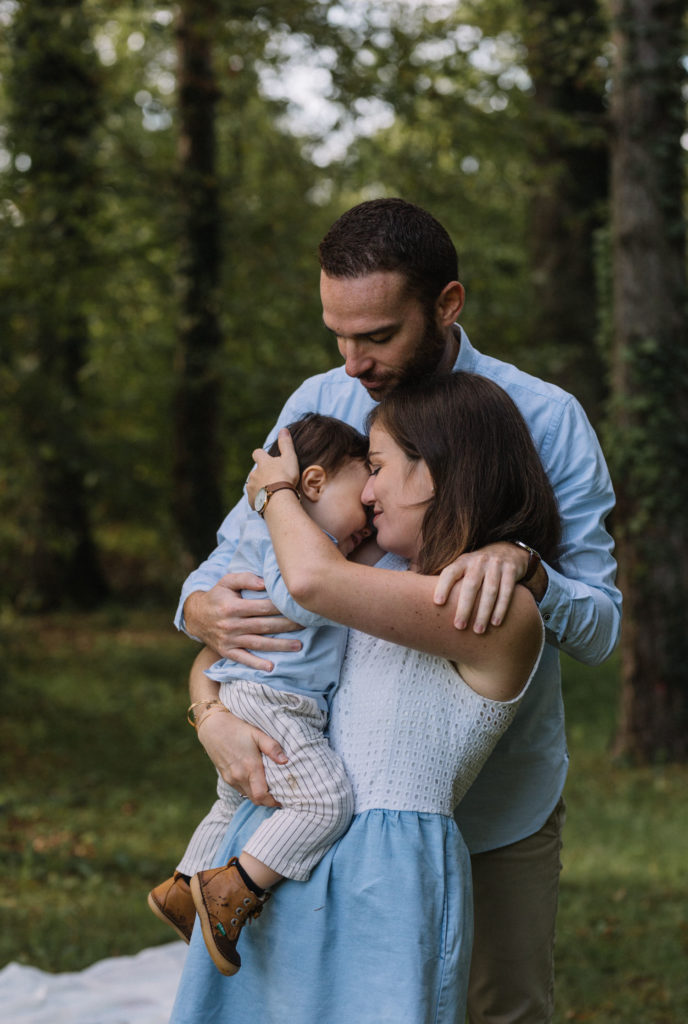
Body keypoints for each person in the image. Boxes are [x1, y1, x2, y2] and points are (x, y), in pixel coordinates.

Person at [174, 199, 622, 1022]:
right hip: (320, 787)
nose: (353, 364)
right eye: (337, 335)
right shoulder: (321, 401)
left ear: (446, 305)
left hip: (494, 802)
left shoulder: (544, 418)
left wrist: (525, 568)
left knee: (497, 1006)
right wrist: (201, 632)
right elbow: (229, 568)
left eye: (377, 336)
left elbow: (600, 625)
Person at [170, 371, 561, 1024]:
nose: (368, 491)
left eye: (377, 468)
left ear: (439, 469)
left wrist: (275, 492)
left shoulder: (497, 609)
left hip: (381, 885)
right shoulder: (365, 571)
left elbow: (310, 580)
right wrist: (210, 716)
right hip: (271, 859)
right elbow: (224, 657)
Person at [149, 414, 372, 973]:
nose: (370, 515)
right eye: (363, 501)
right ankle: (232, 890)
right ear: (313, 484)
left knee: (233, 800)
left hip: (257, 688)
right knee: (326, 802)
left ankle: (182, 888)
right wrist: (339, 566)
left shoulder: (291, 530)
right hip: (274, 698)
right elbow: (301, 595)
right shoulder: (292, 534)